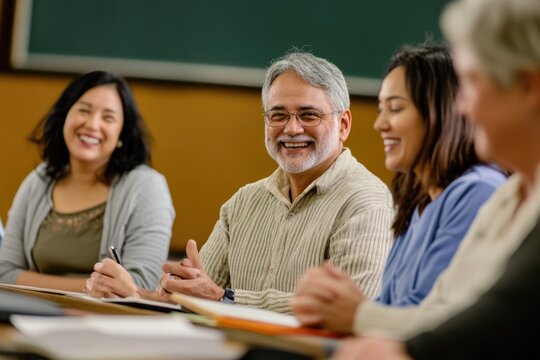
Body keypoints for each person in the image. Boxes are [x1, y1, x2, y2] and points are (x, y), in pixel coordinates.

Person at [85, 51, 395, 313]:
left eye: (309, 115)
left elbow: (351, 308)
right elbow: (195, 298)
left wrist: (226, 299)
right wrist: (135, 294)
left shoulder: (366, 200)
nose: (291, 128)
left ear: (343, 124)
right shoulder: (244, 202)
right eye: (277, 115)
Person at [328, 0, 540, 356]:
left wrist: (361, 317)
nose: (463, 107)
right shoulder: (508, 196)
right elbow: (444, 314)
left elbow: (472, 327)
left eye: (472, 82)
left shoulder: (479, 189)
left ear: (529, 86)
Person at [291, 43, 506, 332]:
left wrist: (353, 310)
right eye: (381, 109)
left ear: (441, 111)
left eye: (395, 108)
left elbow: (432, 317)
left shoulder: (478, 191)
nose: (380, 124)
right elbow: (388, 305)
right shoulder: (414, 200)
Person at [0, 71, 175, 292]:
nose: (92, 124)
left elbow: (142, 284)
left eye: (108, 117)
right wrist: (90, 287)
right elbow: (4, 271)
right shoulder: (39, 182)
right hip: (34, 316)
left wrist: (34, 282)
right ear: (64, 116)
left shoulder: (147, 188)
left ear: (122, 134)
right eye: (84, 110)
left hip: (109, 321)